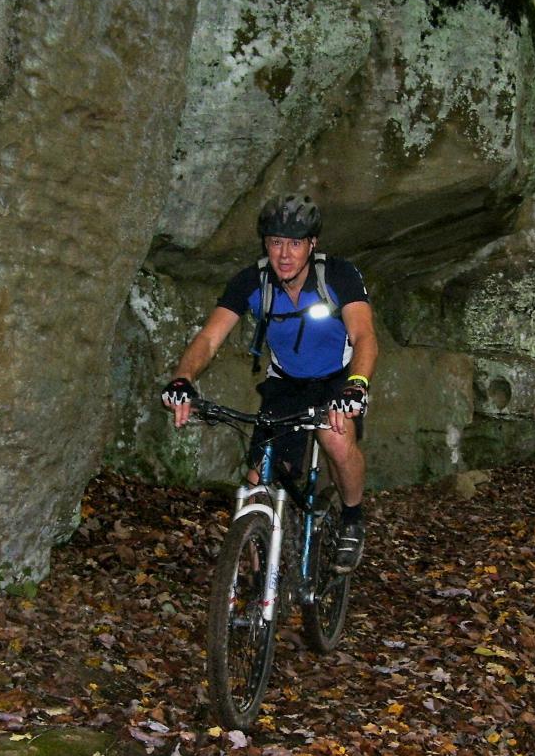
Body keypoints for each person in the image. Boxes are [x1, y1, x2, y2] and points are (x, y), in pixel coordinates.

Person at [161, 193, 378, 573]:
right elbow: (209, 338)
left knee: (336, 439)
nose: (285, 254)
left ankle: (352, 518)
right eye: (276, 242)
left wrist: (356, 384)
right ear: (265, 244)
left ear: (312, 245)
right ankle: (263, 572)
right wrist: (183, 379)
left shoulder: (338, 275)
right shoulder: (252, 282)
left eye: (295, 243)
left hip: (336, 380)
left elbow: (364, 336)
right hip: (286, 383)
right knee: (255, 483)